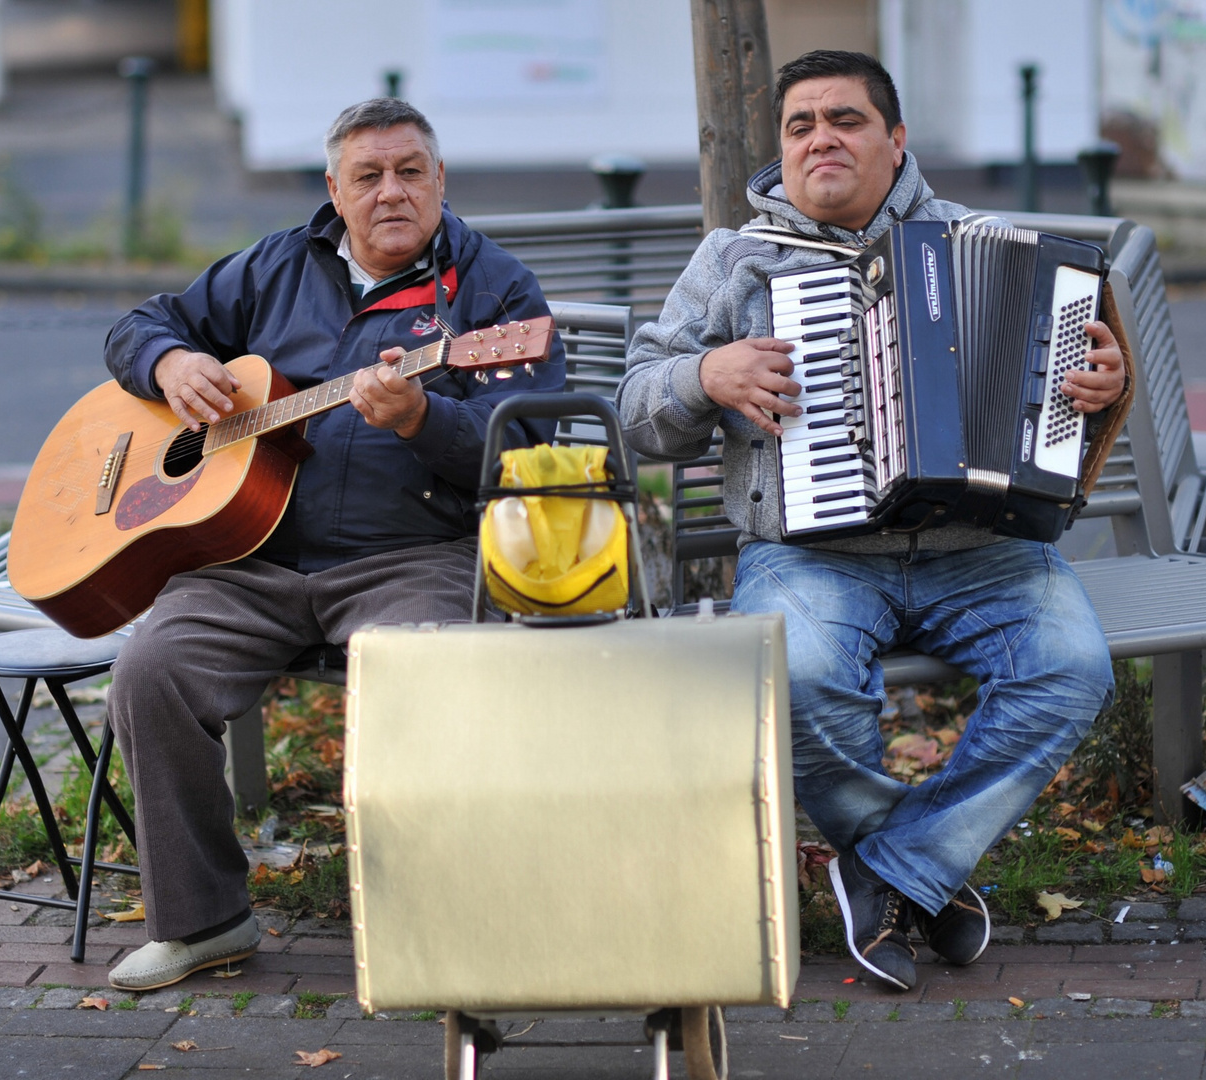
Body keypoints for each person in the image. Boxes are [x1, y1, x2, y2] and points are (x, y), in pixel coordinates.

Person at [618, 50, 1124, 991]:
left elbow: (1072, 387)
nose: (820, 139)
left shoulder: (988, 241)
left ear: (895, 140)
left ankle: (892, 870)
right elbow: (636, 407)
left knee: (1070, 668)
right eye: (800, 125)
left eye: (844, 120)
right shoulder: (735, 260)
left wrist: (1099, 385)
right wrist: (703, 376)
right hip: (814, 557)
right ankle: (923, 869)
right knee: (801, 678)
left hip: (983, 549)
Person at [101, 98, 563, 991]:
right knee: (150, 670)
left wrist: (426, 421)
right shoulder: (278, 264)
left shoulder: (497, 292)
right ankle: (204, 920)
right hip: (250, 559)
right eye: (369, 176)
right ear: (335, 190)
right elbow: (140, 322)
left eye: (410, 171)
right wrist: (169, 362)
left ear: (440, 179)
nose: (391, 191)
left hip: (412, 557)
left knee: (435, 669)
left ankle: (437, 915)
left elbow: (532, 449)